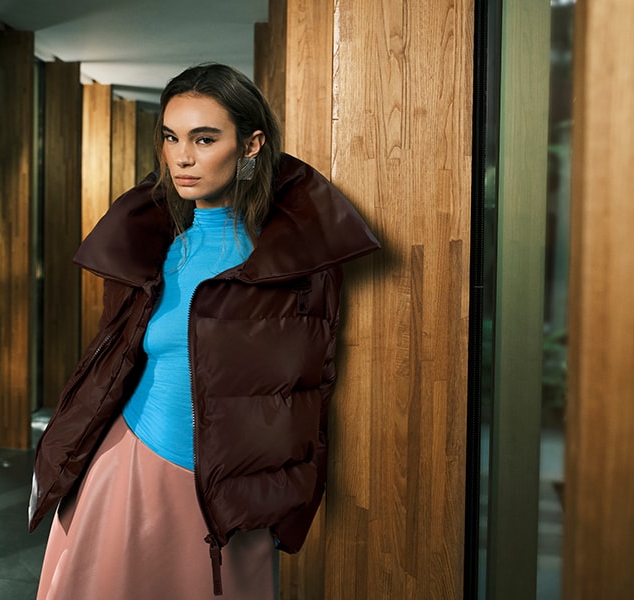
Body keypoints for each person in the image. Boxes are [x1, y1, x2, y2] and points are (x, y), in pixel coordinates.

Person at [29, 63, 380, 599]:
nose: (183, 157)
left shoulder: (291, 261)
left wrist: (279, 496)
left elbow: (309, 388)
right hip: (126, 471)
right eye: (171, 137)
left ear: (251, 144)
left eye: (205, 138)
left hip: (227, 498)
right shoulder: (152, 247)